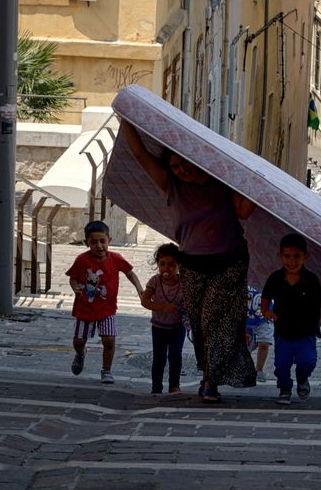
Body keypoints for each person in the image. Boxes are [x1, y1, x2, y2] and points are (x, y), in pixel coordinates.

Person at [120, 121, 257, 402]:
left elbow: (244, 211)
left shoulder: (222, 180)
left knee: (211, 321)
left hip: (229, 261)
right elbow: (141, 156)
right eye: (175, 167)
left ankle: (209, 381)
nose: (182, 170)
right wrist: (127, 119)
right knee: (198, 323)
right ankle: (212, 376)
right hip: (192, 265)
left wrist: (252, 182)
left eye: (184, 164)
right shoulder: (172, 186)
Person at [65, 220, 144, 384]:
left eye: (103, 241)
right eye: (93, 242)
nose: (99, 246)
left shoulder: (115, 258)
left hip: (107, 309)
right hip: (84, 308)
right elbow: (73, 278)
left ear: (110, 240)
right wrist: (75, 288)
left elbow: (130, 273)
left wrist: (139, 289)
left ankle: (106, 370)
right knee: (79, 341)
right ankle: (80, 354)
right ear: (86, 242)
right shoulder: (82, 260)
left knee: (109, 339)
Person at [261, 233, 321, 405]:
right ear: (280, 256)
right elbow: (266, 297)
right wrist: (266, 312)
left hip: (307, 332)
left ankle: (302, 378)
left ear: (305, 256)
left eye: (297, 256)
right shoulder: (275, 278)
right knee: (281, 365)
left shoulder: (311, 279)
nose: (292, 261)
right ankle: (284, 389)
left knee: (308, 361)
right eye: (287, 256)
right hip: (283, 333)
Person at [141, 242, 186, 394]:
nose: (166, 268)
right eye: (162, 264)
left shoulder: (183, 282)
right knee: (159, 358)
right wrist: (160, 307)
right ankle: (156, 387)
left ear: (178, 265)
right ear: (158, 264)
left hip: (177, 327)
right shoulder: (155, 281)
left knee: (175, 356)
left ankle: (174, 384)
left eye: (171, 265)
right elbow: (145, 300)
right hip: (158, 327)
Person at [246, 285, 273, 383]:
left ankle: (259, 369)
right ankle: (245, 368)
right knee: (246, 347)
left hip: (265, 318)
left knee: (264, 344)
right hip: (247, 319)